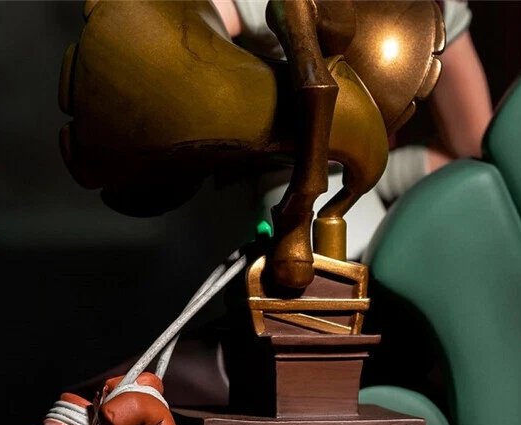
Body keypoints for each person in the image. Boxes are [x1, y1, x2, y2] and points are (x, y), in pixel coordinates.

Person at [211, 0, 493, 258]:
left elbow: (471, 148)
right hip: (248, 203)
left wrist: (371, 175)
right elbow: (194, 45)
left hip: (339, 204)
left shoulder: (436, 8)